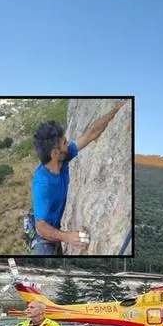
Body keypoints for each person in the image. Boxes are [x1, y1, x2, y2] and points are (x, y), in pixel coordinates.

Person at [28, 100, 128, 255]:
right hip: (44, 238)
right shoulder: (43, 184)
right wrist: (67, 237)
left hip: (56, 228)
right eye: (64, 143)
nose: (69, 144)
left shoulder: (63, 158)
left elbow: (91, 133)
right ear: (55, 153)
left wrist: (116, 110)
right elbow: (41, 227)